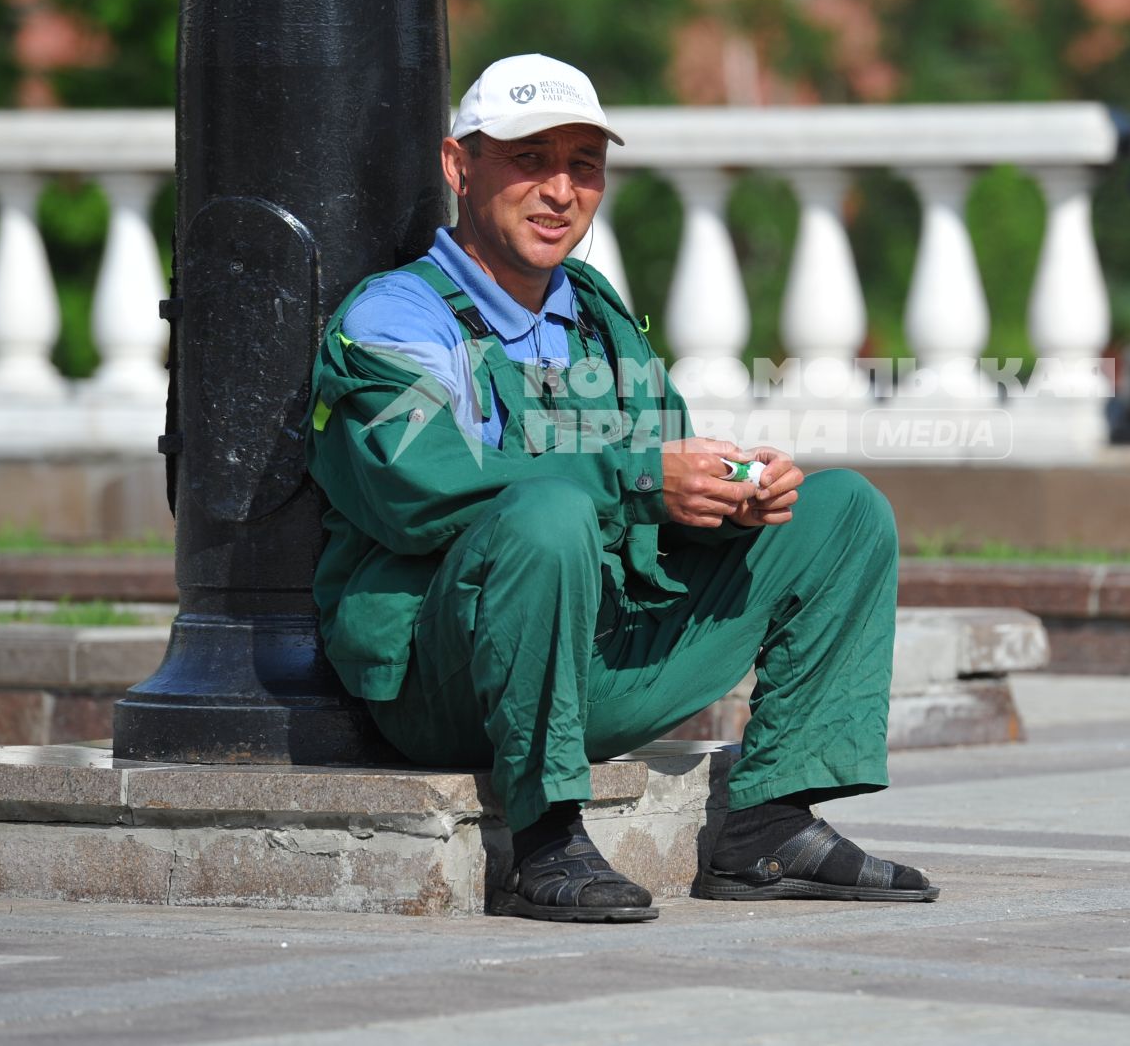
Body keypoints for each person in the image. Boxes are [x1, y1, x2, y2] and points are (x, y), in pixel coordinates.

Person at [304, 53, 936, 922]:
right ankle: (543, 839)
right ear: (459, 166)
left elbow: (657, 473)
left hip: (595, 643)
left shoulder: (598, 312)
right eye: (530, 159)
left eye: (583, 164)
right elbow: (422, 483)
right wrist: (644, 480)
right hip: (446, 679)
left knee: (844, 512)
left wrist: (727, 497)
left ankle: (769, 826)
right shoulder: (396, 317)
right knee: (548, 514)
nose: (559, 190)